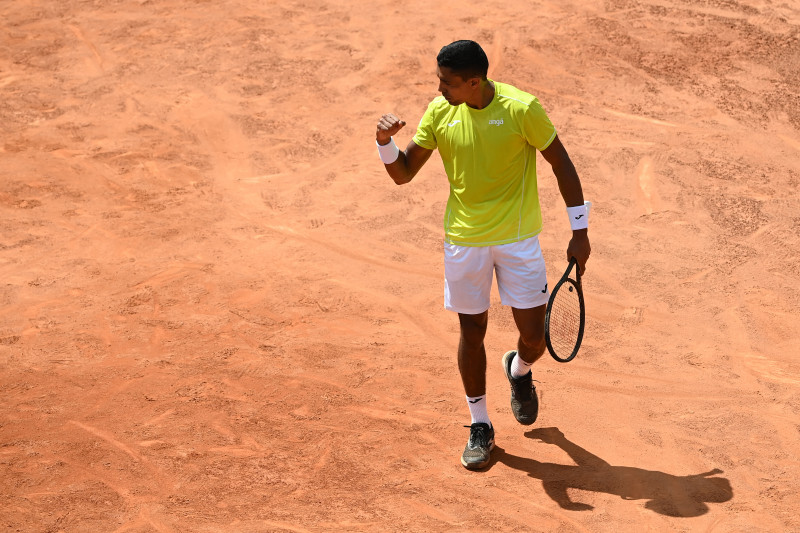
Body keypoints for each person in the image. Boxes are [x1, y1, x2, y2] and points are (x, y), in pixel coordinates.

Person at [375, 40, 591, 470]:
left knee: (535, 337)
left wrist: (580, 231)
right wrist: (384, 143)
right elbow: (403, 174)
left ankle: (519, 371)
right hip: (464, 241)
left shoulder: (521, 109)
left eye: (447, 83)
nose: (439, 90)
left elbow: (561, 163)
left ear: (474, 82)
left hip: (517, 240)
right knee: (471, 332)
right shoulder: (440, 112)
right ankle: (480, 424)